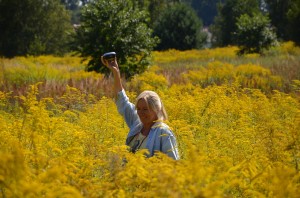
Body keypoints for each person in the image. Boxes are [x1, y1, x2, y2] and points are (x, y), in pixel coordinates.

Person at [101, 55, 180, 160]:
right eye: (138, 109)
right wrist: (116, 72)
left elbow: (173, 164)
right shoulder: (137, 124)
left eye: (145, 109)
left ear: (156, 109)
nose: (141, 113)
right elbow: (122, 100)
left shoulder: (164, 133)